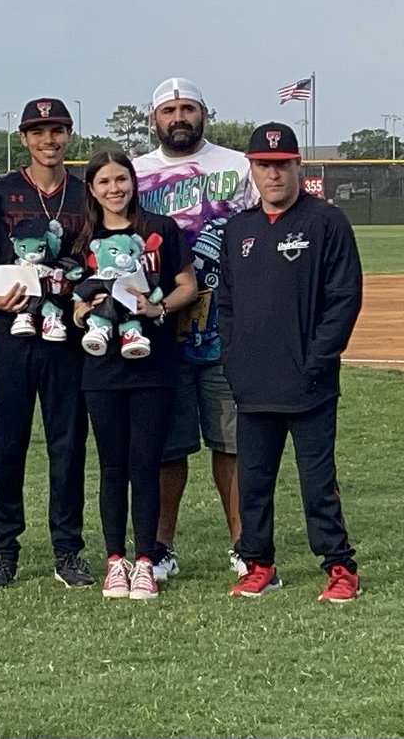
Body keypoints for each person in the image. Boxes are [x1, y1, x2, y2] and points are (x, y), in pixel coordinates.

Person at [218, 122, 363, 602]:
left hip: (309, 382)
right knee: (254, 481)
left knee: (317, 482)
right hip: (253, 382)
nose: (273, 174)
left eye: (282, 165)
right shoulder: (239, 229)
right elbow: (228, 305)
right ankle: (258, 563)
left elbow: (344, 298)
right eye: (264, 165)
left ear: (298, 165)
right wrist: (234, 360)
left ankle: (340, 567)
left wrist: (317, 359)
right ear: (252, 169)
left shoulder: (326, 222)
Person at [133, 77, 258, 583]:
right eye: (169, 110)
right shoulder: (135, 173)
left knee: (231, 441)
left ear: (204, 113)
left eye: (188, 108)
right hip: (160, 330)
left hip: (225, 327)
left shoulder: (236, 165)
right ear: (154, 120)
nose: (178, 117)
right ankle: (161, 546)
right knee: (168, 444)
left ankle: (245, 543)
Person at [0, 98, 94, 591]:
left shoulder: (85, 194)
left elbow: (98, 257)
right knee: (7, 443)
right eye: (39, 132)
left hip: (67, 334)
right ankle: (4, 549)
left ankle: (67, 550)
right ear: (23, 138)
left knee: (67, 444)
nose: (49, 140)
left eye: (58, 131)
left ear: (69, 135)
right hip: (13, 333)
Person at [72, 151, 197, 600]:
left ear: (133, 181)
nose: (114, 189)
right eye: (104, 181)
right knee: (112, 466)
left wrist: (157, 307)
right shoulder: (84, 235)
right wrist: (82, 309)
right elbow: (70, 293)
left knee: (145, 465)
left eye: (121, 179)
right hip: (102, 367)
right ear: (92, 188)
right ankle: (114, 561)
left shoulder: (159, 229)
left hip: (153, 365)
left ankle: (145, 559)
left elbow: (188, 284)